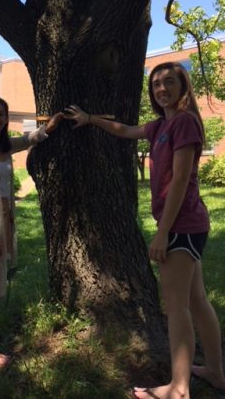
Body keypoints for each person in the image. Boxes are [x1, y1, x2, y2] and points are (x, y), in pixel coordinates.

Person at [64, 62, 225, 399]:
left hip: (181, 226)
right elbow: (124, 130)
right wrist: (90, 118)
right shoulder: (161, 126)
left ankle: (179, 389)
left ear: (183, 87)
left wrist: (163, 231)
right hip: (187, 225)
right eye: (156, 85)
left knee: (176, 306)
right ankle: (214, 371)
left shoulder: (184, 123)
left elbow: (180, 180)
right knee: (196, 301)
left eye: (169, 82)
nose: (162, 89)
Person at [0, 94, 63, 369]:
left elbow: (26, 140)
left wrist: (47, 129)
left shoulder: (4, 146)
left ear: (6, 119)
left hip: (3, 220)